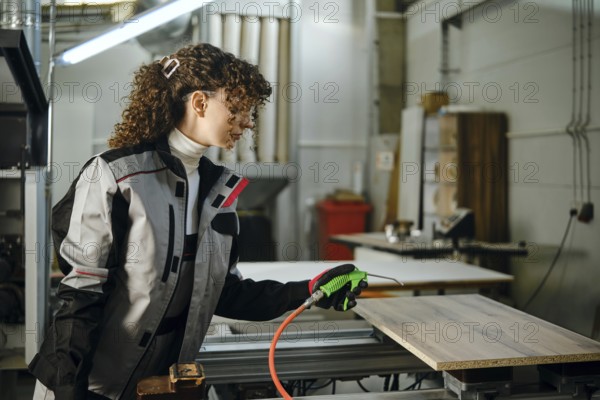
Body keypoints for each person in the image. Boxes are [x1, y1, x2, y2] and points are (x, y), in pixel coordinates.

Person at [29, 43, 366, 400]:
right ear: (200, 103)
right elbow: (81, 296)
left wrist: (308, 289)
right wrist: (70, 389)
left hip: (163, 384)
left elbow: (224, 294)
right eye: (237, 107)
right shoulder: (116, 176)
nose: (248, 121)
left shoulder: (220, 191)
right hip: (92, 385)